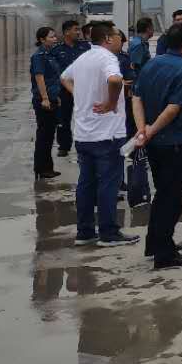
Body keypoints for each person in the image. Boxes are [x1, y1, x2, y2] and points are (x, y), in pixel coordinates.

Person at [60, 22, 136, 248]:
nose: (121, 39)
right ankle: (108, 232)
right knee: (108, 184)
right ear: (108, 38)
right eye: (118, 35)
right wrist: (111, 103)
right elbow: (115, 80)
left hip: (83, 134)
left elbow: (64, 77)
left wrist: (80, 95)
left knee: (86, 183)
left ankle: (84, 232)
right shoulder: (108, 58)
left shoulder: (83, 58)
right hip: (107, 134)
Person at [132, 20, 182, 270]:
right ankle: (164, 253)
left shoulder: (153, 63)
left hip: (155, 142)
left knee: (162, 193)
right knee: (171, 197)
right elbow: (173, 108)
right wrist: (149, 131)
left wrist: (143, 129)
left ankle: (157, 242)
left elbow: (136, 97)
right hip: (174, 141)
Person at [30, 26, 63, 179]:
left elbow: (54, 78)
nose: (55, 39)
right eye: (51, 37)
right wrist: (44, 98)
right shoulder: (39, 56)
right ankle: (41, 168)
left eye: (55, 36)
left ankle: (48, 167)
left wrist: (56, 96)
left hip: (52, 98)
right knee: (44, 135)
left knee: (50, 135)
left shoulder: (50, 54)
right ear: (42, 40)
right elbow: (39, 77)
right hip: (44, 101)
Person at [50, 19, 84, 157]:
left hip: (83, 89)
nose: (78, 32)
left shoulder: (85, 47)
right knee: (63, 118)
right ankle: (64, 146)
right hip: (63, 90)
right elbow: (54, 73)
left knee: (85, 117)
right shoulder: (56, 50)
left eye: (79, 29)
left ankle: (84, 145)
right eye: (76, 29)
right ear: (66, 32)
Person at [128, 18, 154, 83]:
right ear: (148, 29)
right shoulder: (139, 44)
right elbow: (134, 67)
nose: (153, 30)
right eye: (152, 27)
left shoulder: (140, 42)